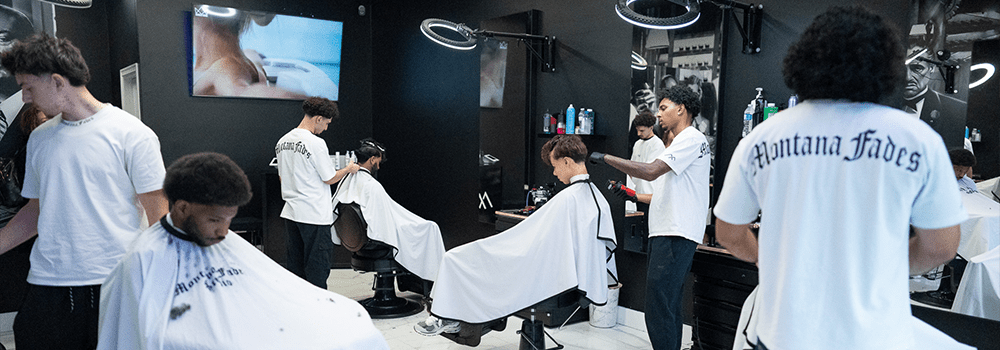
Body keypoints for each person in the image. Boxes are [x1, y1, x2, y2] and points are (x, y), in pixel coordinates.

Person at [713, 6, 971, 350]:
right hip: (874, 337)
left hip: (785, 334)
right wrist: (882, 267)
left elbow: (729, 233)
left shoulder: (764, 137)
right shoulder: (917, 141)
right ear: (887, 64)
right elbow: (941, 246)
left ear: (804, 60)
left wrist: (764, 256)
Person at [98, 152, 389, 350]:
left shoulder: (225, 241)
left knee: (351, 322)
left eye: (229, 220)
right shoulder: (140, 260)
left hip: (248, 326)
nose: (224, 232)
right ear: (182, 207)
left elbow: (275, 287)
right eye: (214, 220)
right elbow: (127, 336)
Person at [0, 33, 169, 349]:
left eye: (28, 87)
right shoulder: (40, 139)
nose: (23, 97)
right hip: (47, 283)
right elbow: (35, 212)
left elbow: (160, 217)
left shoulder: (133, 135)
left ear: (57, 82)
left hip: (111, 283)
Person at [414, 135, 617, 335]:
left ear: (566, 161)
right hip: (554, 272)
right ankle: (454, 315)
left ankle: (446, 316)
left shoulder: (568, 199)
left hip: (539, 271)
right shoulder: (597, 199)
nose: (554, 173)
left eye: (555, 166)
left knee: (454, 258)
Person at [590, 85, 710, 350]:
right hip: (668, 231)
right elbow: (662, 196)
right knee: (667, 304)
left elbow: (651, 171)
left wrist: (607, 157)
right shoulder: (681, 143)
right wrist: (630, 195)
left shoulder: (690, 137)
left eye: (664, 108)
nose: (658, 115)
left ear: (682, 109)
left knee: (658, 306)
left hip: (675, 234)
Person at [332, 138, 445, 284]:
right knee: (430, 228)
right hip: (375, 241)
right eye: (378, 161)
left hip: (358, 240)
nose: (378, 167)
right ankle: (434, 283)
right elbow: (383, 227)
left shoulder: (347, 180)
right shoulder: (372, 186)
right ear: (372, 159)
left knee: (424, 228)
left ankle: (416, 284)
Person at [276, 96, 359, 288]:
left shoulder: (282, 141)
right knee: (317, 267)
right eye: (327, 123)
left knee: (296, 265)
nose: (326, 129)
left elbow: (282, 177)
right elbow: (329, 178)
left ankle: (300, 307)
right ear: (318, 118)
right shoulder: (315, 143)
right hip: (314, 215)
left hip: (291, 213)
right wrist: (348, 169)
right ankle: (320, 311)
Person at [903, 45, 966, 147]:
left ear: (931, 69)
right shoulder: (881, 105)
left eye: (917, 68)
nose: (907, 77)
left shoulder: (956, 110)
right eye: (902, 69)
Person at [626, 110, 665, 213]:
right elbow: (631, 167)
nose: (639, 133)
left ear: (651, 128)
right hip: (635, 192)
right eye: (637, 130)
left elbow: (649, 169)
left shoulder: (658, 144)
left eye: (642, 131)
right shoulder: (637, 144)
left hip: (649, 193)